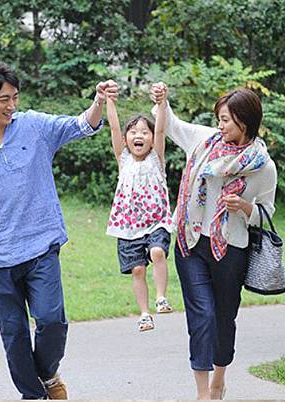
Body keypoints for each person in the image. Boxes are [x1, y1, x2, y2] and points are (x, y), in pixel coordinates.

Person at [0, 60, 118, 400]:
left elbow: (81, 125)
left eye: (15, 97)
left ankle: (47, 373)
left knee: (51, 321)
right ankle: (33, 395)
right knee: (14, 333)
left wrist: (98, 101)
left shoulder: (34, 126)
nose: (11, 106)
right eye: (3, 99)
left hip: (41, 245)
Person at [150, 83, 277, 399]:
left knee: (223, 317)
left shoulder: (262, 165)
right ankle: (203, 393)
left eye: (226, 120)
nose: (220, 126)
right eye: (219, 119)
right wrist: (163, 100)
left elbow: (266, 213)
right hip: (191, 243)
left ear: (244, 122)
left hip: (231, 250)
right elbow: (171, 125)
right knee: (202, 316)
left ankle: (219, 378)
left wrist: (245, 207)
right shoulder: (204, 141)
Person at [105, 86, 174, 332]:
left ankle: (161, 297)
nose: (139, 136)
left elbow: (162, 128)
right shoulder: (123, 160)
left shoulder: (156, 158)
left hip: (157, 221)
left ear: (152, 139)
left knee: (157, 252)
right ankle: (145, 314)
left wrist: (162, 102)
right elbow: (114, 128)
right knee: (137, 270)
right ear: (126, 139)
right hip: (128, 226)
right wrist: (109, 101)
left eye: (145, 132)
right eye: (133, 132)